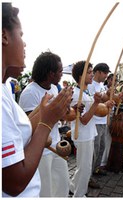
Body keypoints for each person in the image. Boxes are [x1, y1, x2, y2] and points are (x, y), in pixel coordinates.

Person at [2, 3, 73, 197]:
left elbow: (21, 128)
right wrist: (47, 121)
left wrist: (51, 111)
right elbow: (14, 183)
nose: (24, 44)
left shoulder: (5, 87)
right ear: (4, 36)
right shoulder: (15, 93)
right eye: (21, 35)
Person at [19, 51, 70, 197]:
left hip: (56, 146)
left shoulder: (54, 88)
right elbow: (31, 127)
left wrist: (65, 110)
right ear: (50, 73)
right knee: (45, 191)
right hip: (41, 151)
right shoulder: (30, 93)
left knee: (62, 185)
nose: (61, 74)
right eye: (59, 71)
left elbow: (58, 117)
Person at [69, 61, 114, 197]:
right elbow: (84, 119)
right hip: (82, 135)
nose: (92, 74)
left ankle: (72, 187)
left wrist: (105, 104)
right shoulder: (77, 94)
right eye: (89, 72)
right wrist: (96, 103)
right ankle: (79, 195)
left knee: (84, 167)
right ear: (80, 76)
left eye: (91, 72)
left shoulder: (85, 91)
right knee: (85, 168)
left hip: (88, 133)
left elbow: (93, 110)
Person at [88, 63, 111, 180]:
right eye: (105, 73)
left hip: (102, 121)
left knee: (102, 147)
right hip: (95, 121)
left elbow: (105, 99)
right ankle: (89, 176)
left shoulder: (102, 85)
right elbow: (93, 105)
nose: (106, 76)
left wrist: (110, 96)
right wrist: (105, 102)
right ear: (98, 72)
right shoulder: (90, 86)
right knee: (94, 149)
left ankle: (96, 168)